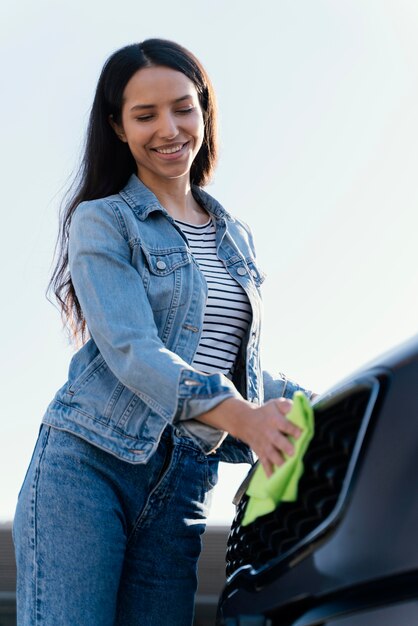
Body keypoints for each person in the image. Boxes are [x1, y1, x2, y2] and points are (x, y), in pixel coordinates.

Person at [13, 39, 313, 626]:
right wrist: (240, 414)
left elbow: (237, 367)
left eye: (182, 108)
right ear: (118, 128)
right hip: (90, 466)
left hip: (184, 482)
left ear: (203, 110)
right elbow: (133, 350)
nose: (169, 129)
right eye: (145, 115)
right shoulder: (102, 219)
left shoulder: (235, 238)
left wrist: (310, 406)